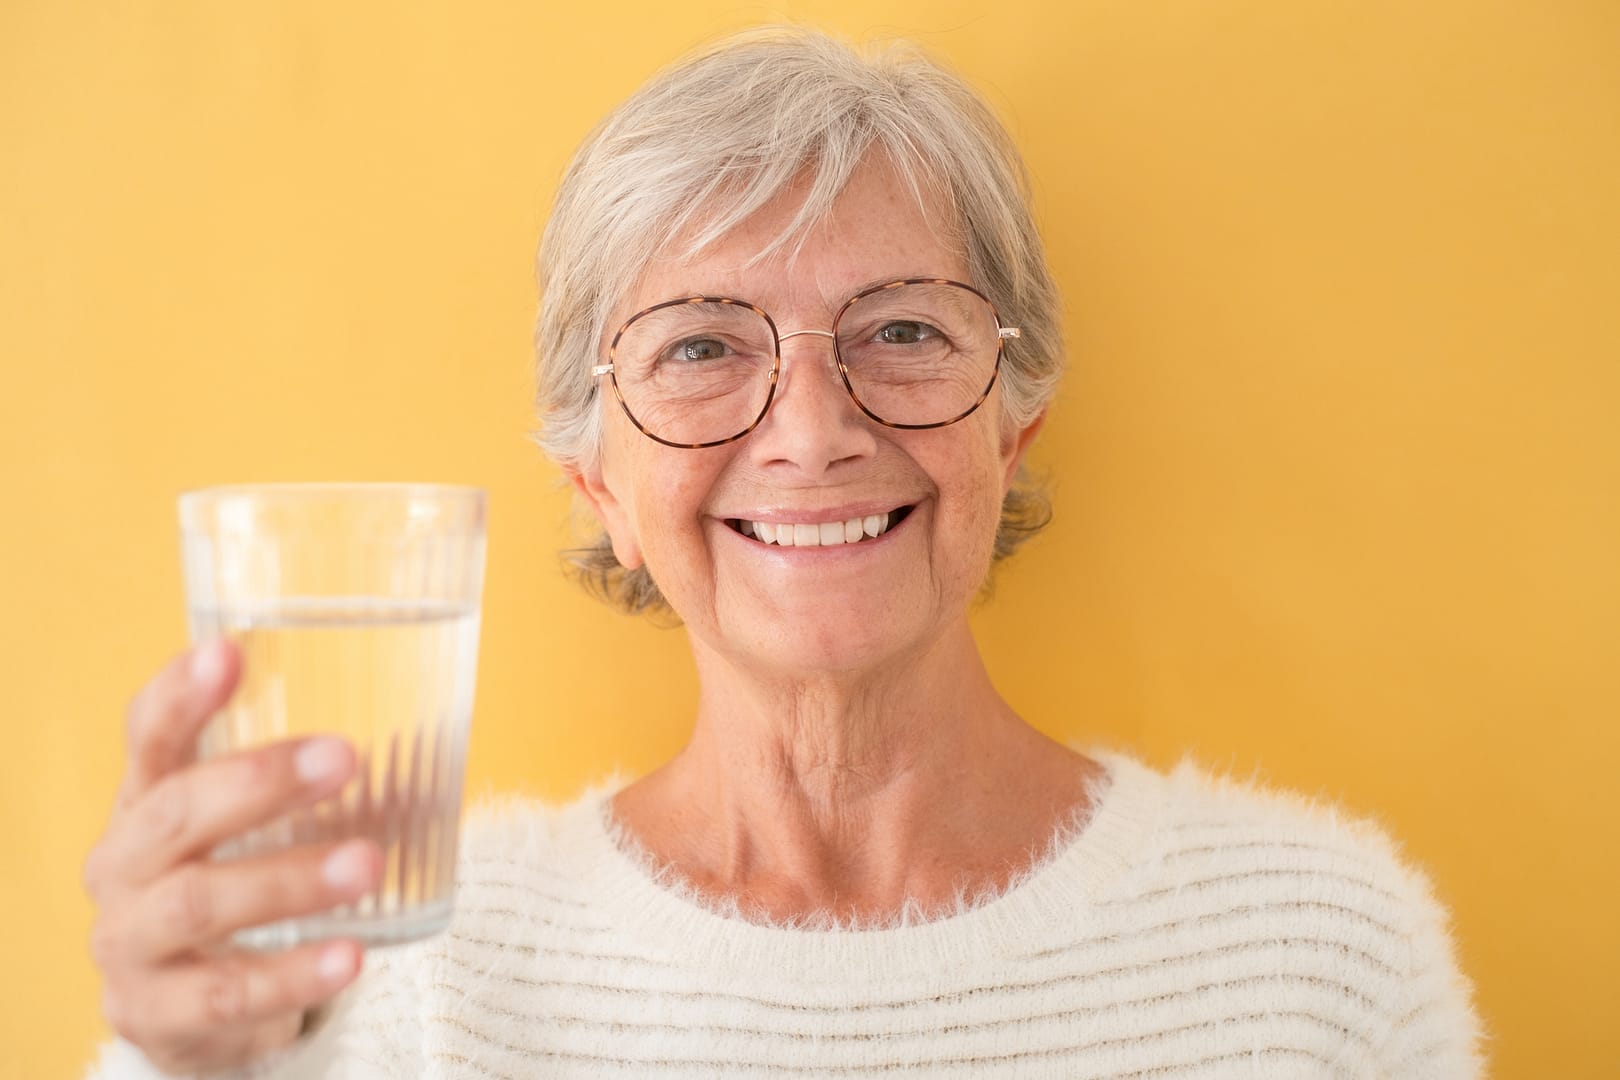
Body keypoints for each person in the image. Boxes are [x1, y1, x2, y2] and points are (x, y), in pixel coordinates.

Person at [83, 28, 1485, 1079]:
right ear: (598, 482)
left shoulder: (1323, 951)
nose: (811, 433)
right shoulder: (389, 979)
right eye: (701, 345)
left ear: (1013, 419)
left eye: (903, 330)